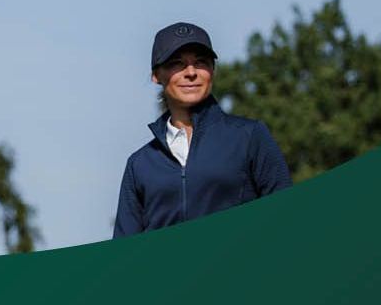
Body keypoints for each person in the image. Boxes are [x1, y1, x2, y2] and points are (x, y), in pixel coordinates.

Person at [113, 22, 292, 237]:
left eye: (201, 62)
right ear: (156, 75)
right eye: (177, 63)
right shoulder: (140, 164)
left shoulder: (250, 137)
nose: (191, 72)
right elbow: (124, 250)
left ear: (212, 70)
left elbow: (287, 219)